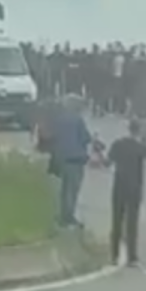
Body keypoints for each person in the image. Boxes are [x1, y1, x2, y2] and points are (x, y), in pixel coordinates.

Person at [105, 120, 146, 266]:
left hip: (119, 186)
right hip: (135, 188)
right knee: (132, 223)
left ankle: (114, 255)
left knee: (116, 221)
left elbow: (107, 162)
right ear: (138, 131)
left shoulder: (118, 144)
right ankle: (132, 257)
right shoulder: (140, 147)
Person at [50, 94, 92, 229]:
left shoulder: (58, 119)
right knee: (72, 190)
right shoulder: (78, 120)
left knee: (64, 189)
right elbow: (85, 138)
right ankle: (69, 218)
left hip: (62, 159)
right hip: (76, 158)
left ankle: (63, 216)